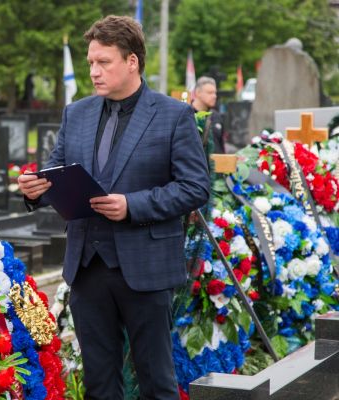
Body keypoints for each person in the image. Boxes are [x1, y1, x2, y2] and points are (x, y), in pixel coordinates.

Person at [18, 15, 209, 400]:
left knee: (156, 383)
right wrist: (35, 189)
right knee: (99, 385)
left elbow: (195, 187)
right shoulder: (77, 113)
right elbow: (56, 170)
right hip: (87, 268)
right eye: (91, 62)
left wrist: (132, 205)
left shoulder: (173, 115)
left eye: (103, 62)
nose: (94, 71)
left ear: (132, 61)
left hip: (145, 267)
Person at [192, 76, 226, 153]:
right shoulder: (187, 115)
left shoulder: (217, 116)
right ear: (197, 93)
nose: (214, 96)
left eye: (215, 93)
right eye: (210, 93)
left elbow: (222, 146)